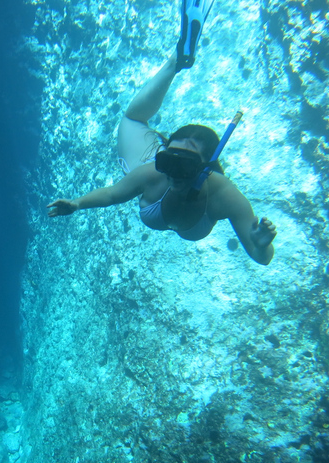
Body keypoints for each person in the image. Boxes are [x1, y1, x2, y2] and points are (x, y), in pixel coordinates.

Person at [47, 0, 277, 265]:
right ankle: (176, 60)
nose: (173, 172)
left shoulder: (224, 195)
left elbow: (263, 258)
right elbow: (112, 194)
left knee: (132, 119)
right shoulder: (153, 172)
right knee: (132, 119)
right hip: (143, 163)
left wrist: (260, 245)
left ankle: (178, 60)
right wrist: (77, 204)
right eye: (169, 158)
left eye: (185, 164)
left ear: (207, 168)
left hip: (172, 191)